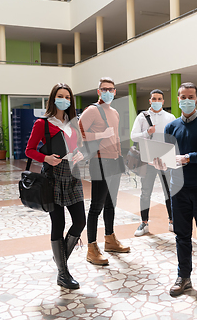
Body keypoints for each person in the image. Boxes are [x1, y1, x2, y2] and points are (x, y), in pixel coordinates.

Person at [153, 82, 197, 300]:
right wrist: (160, 162)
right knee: (181, 236)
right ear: (177, 99)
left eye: (190, 96)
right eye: (183, 96)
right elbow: (167, 155)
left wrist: (188, 157)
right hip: (178, 189)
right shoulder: (171, 127)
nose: (186, 100)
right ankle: (183, 277)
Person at [25, 83, 86, 289]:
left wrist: (79, 153)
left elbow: (78, 146)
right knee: (58, 224)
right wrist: (46, 158)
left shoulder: (73, 122)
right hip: (53, 175)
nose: (64, 99)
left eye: (67, 96)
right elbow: (30, 150)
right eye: (60, 96)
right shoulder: (42, 124)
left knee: (80, 221)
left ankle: (61, 260)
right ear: (53, 99)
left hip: (73, 174)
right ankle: (63, 273)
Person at [79, 77, 130, 266]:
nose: (107, 92)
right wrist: (100, 135)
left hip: (114, 161)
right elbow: (78, 132)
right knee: (96, 206)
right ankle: (91, 248)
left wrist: (119, 159)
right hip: (99, 162)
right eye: (104, 89)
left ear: (115, 91)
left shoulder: (114, 112)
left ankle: (110, 240)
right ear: (98, 91)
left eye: (111, 89)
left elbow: (115, 137)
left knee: (111, 204)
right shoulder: (92, 110)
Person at [130, 89, 176, 236]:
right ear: (150, 101)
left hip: (165, 161)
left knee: (169, 192)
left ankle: (172, 221)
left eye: (159, 99)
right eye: (154, 99)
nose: (156, 101)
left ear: (163, 101)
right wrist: (146, 133)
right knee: (145, 193)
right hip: (147, 161)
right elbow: (133, 136)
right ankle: (144, 223)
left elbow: (174, 138)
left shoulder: (170, 117)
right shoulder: (142, 117)